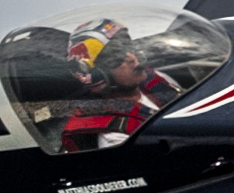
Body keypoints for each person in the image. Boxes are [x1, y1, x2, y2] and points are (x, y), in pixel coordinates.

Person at [55, 20, 182, 152]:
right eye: (116, 58)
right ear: (97, 75)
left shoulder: (156, 79)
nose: (132, 58)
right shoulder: (116, 138)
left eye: (127, 48)